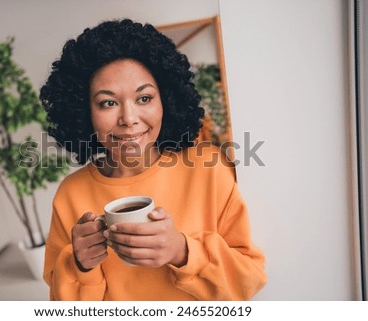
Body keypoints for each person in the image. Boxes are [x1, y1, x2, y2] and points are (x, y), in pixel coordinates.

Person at [40, 18, 266, 301]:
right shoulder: (70, 194)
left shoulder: (208, 169)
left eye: (144, 98)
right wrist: (80, 265)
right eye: (108, 102)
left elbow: (248, 281)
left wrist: (181, 251)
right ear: (85, 112)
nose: (129, 119)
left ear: (166, 101)